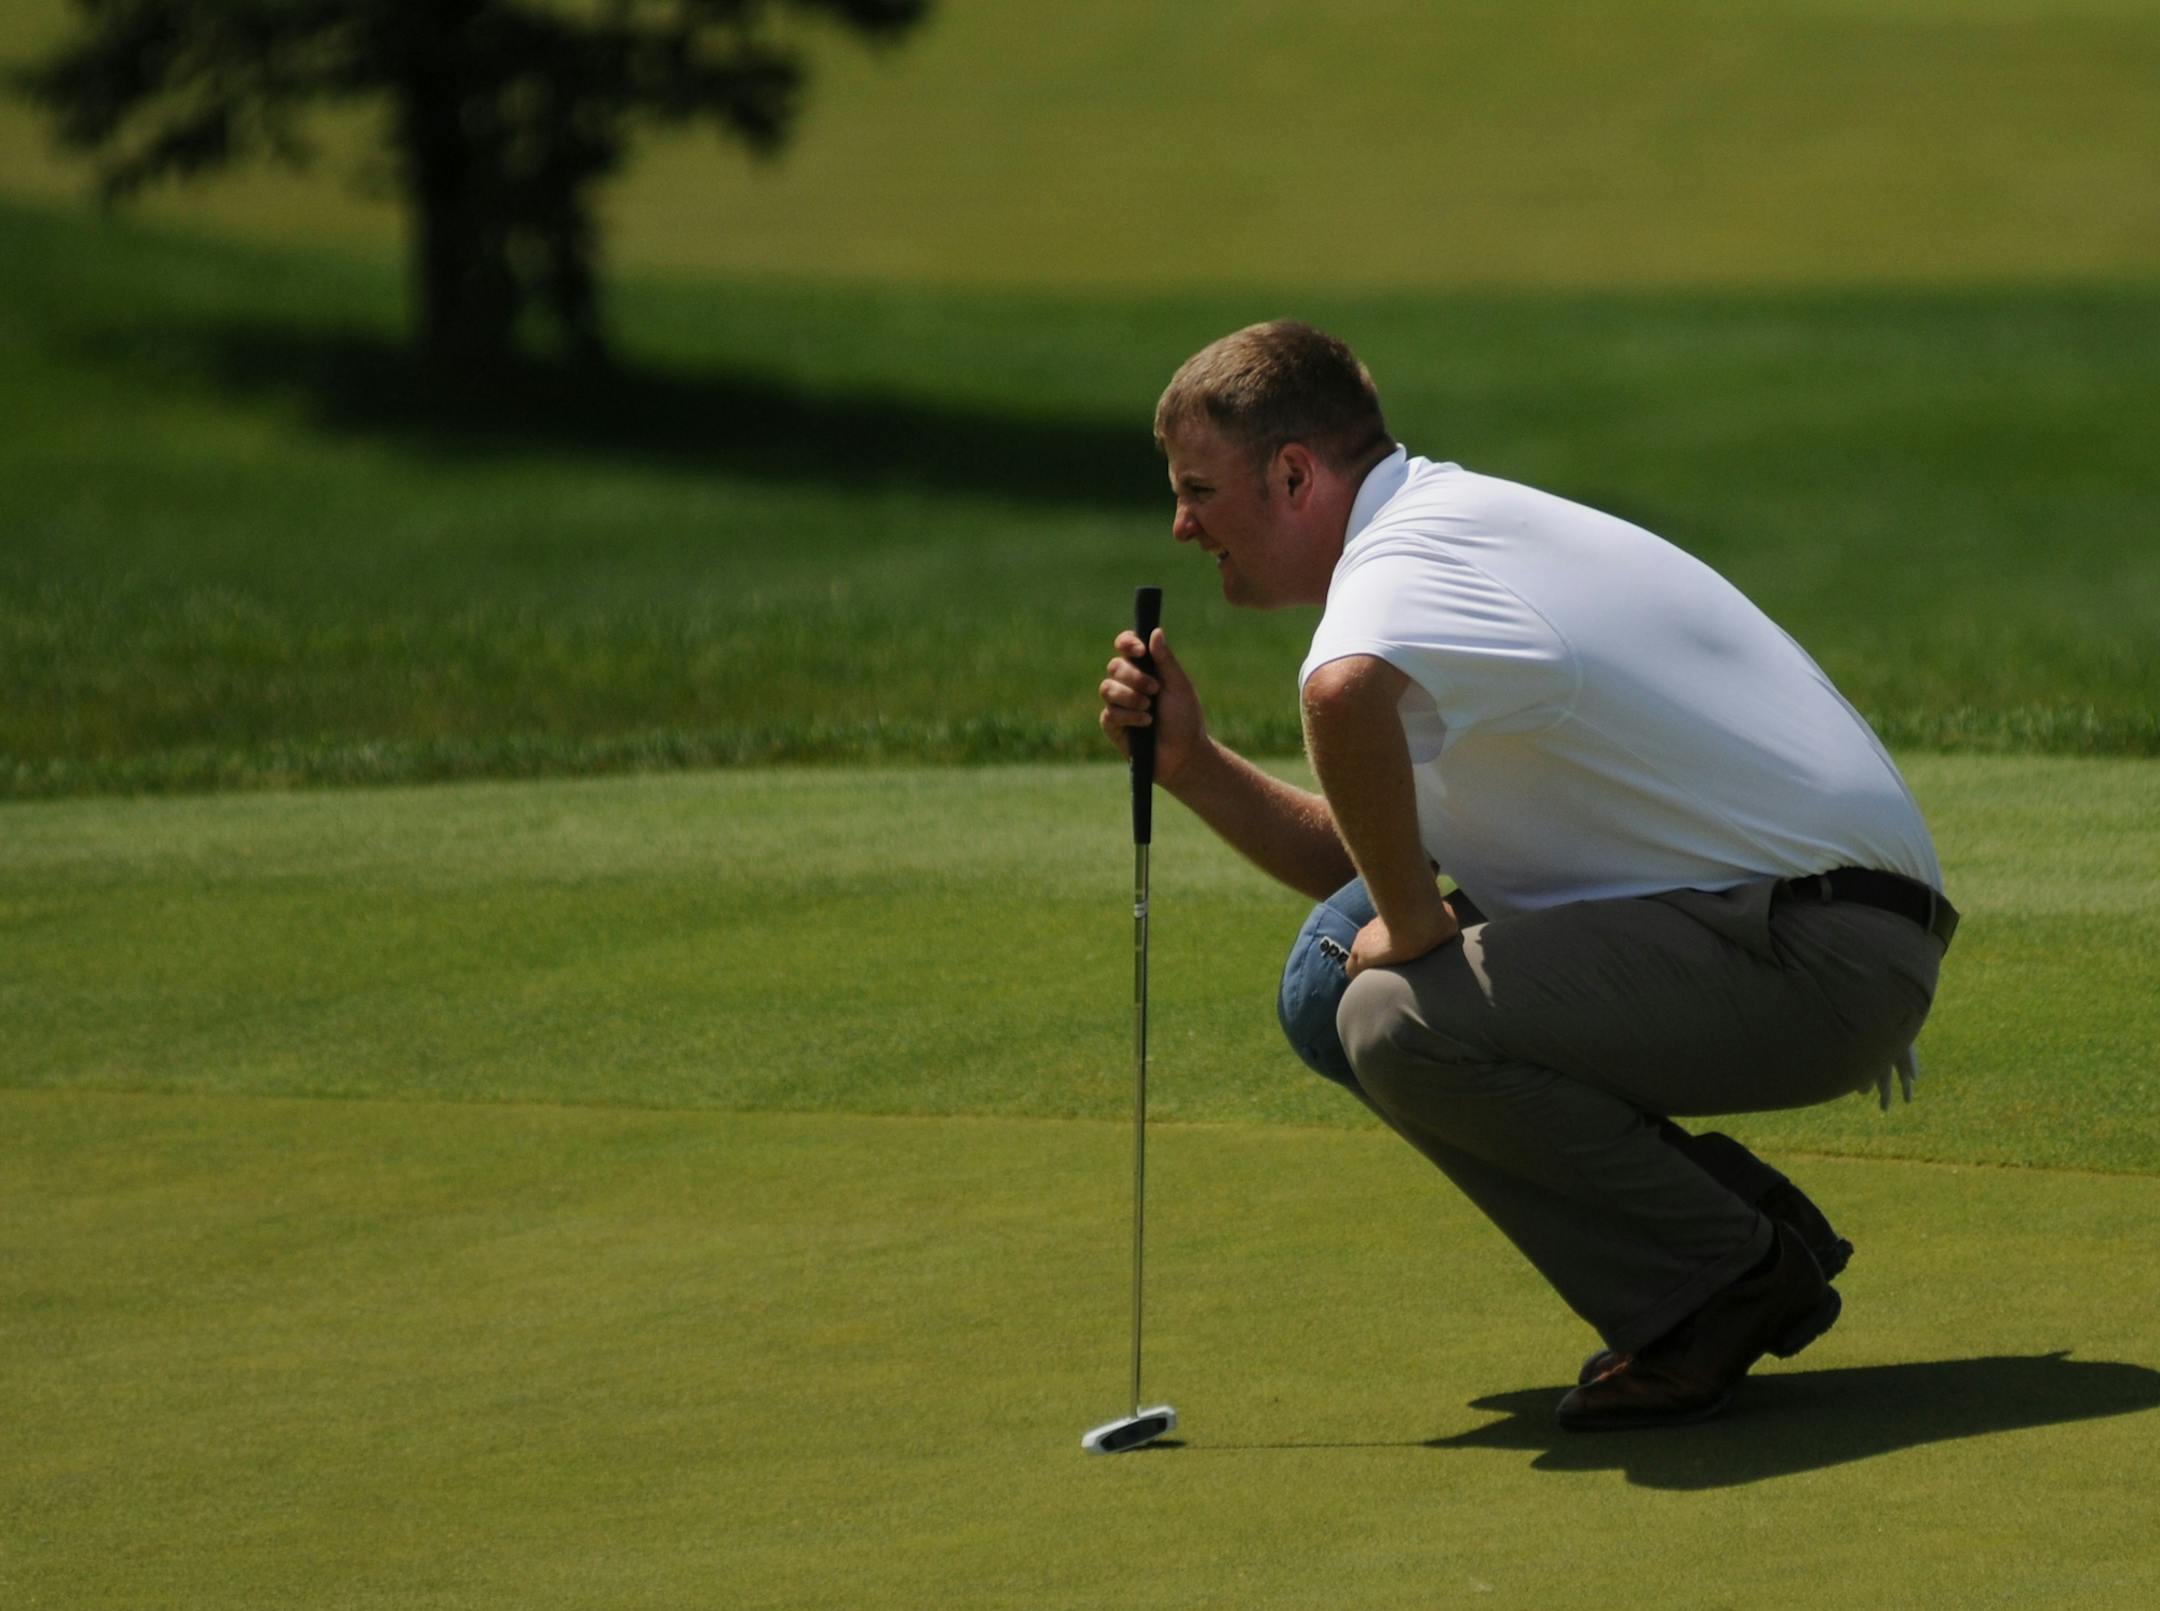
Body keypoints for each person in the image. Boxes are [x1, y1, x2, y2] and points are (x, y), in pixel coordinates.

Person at [1095, 320, 1956, 1431]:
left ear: (1296, 474)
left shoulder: (1402, 566)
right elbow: (1357, 853)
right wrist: (1190, 766)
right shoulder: (1446, 531)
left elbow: (1338, 695)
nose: (1181, 525)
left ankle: (1715, 1283)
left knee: (1394, 1017)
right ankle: (1738, 1222)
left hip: (1823, 953)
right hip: (1772, 919)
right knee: (1331, 983)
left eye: (1199, 490)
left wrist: (1410, 929)